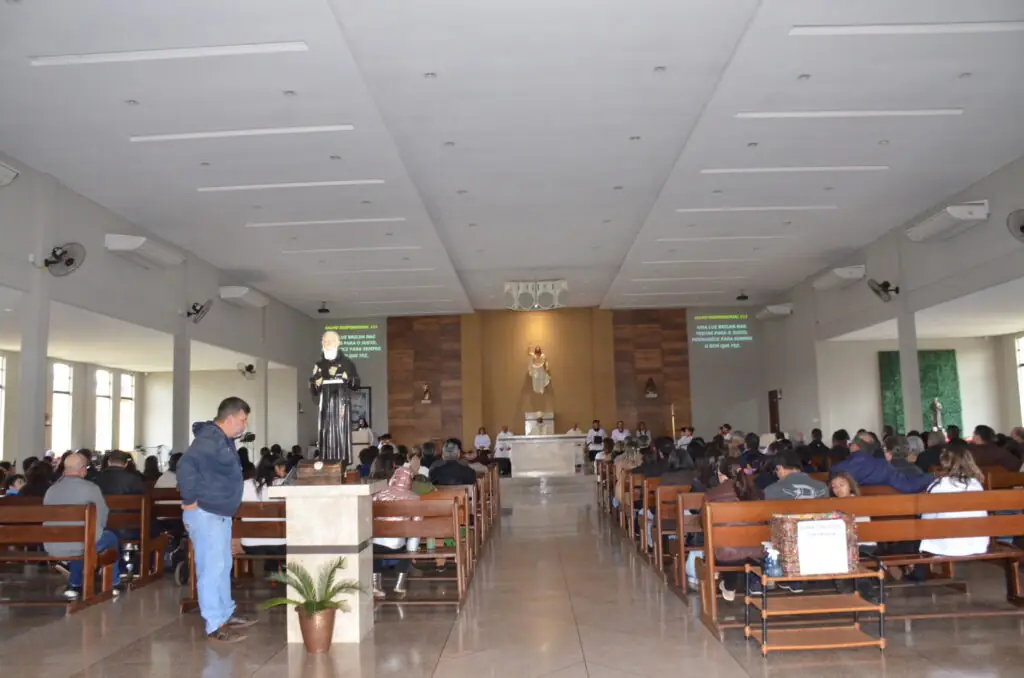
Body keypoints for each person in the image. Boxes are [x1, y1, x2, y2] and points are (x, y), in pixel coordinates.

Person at [177, 397, 255, 643]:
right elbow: (185, 466)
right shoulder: (209, 440)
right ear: (231, 418)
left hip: (218, 513)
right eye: (242, 420)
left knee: (222, 565)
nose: (244, 425)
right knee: (212, 568)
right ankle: (214, 623)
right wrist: (189, 501)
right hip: (207, 513)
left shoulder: (221, 439)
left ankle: (225, 613)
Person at [43, 453, 123, 599]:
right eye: (85, 467)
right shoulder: (90, 488)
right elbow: (103, 516)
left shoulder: (51, 490)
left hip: (54, 545)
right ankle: (114, 582)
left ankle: (75, 583)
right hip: (81, 544)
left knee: (83, 543)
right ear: (81, 470)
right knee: (109, 538)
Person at [920, 442, 989, 557]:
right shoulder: (976, 485)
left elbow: (927, 519)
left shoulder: (939, 485)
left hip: (944, 546)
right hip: (977, 544)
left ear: (944, 461)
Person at [371, 455, 420, 598]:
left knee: (375, 551)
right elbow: (416, 527)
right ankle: (400, 584)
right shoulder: (413, 498)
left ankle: (376, 585)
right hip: (398, 543)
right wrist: (412, 550)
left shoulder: (379, 495)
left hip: (376, 542)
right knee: (409, 547)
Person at [831, 433, 932, 494]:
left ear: (854, 447)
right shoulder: (882, 466)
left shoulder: (836, 470)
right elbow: (908, 486)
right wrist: (932, 476)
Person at [240, 460, 285, 574]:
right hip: (280, 546)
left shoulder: (245, 485)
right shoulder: (283, 485)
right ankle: (276, 571)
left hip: (250, 545)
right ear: (277, 469)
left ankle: (271, 570)